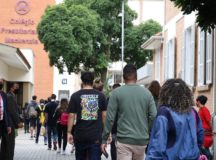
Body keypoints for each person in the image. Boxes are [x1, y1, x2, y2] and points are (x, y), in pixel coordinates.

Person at [101, 64, 157, 160]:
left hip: (124, 140)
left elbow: (110, 118)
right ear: (136, 77)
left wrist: (104, 139)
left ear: (123, 77)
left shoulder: (116, 93)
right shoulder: (147, 93)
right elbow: (153, 115)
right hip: (141, 140)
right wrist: (146, 129)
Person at [146, 78, 204, 160]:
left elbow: (158, 145)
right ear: (186, 94)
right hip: (192, 156)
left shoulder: (164, 113)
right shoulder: (193, 112)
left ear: (165, 94)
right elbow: (200, 135)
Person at [67, 71, 107, 160]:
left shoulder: (75, 96)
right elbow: (104, 116)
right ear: (92, 81)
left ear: (82, 81)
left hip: (80, 135)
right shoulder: (101, 96)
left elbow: (71, 115)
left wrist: (69, 132)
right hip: (96, 135)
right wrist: (107, 133)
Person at [0, 82, 23, 160]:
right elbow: (12, 111)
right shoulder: (10, 96)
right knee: (9, 144)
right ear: (11, 88)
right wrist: (18, 122)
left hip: (7, 123)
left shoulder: (10, 96)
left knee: (5, 143)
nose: (17, 88)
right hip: (9, 123)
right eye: (16, 87)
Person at [196, 95, 213, 160]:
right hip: (202, 134)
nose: (196, 103)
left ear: (199, 102)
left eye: (196, 101)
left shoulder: (205, 110)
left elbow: (209, 121)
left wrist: (212, 130)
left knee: (205, 152)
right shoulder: (201, 110)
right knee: (203, 151)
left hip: (205, 135)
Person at [109, 83, 121, 160]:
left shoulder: (109, 99)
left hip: (113, 128)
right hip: (121, 129)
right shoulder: (125, 99)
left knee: (113, 148)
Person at [0, 78, 12, 157]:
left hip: (3, 122)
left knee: (5, 143)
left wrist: (9, 125)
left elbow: (6, 110)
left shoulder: (3, 94)